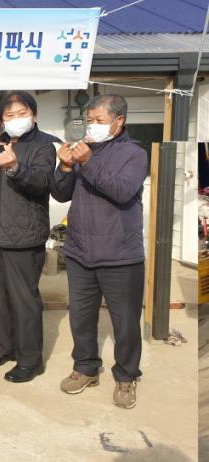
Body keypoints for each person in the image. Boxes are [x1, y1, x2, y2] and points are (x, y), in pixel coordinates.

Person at [52, 94, 147, 409]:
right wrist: (66, 167)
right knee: (80, 317)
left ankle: (127, 375)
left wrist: (88, 162)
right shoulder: (83, 149)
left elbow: (122, 191)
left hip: (120, 255)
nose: (92, 126)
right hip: (80, 251)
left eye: (99, 121)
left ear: (119, 121)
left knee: (126, 322)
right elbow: (61, 194)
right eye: (89, 120)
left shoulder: (134, 154)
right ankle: (85, 368)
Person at [0, 91, 60, 383]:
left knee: (23, 300)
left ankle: (30, 360)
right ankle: (4, 348)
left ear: (34, 115)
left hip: (22, 236)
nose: (16, 119)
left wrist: (15, 168)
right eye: (10, 115)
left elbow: (43, 183)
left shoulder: (43, 146)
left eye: (22, 114)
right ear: (1, 120)